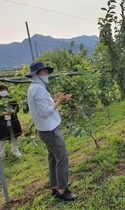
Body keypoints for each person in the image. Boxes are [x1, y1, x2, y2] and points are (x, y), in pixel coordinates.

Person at [26, 61, 77, 201]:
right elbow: (45, 112)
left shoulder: (35, 88)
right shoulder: (38, 89)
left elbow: (45, 107)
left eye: (47, 71)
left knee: (53, 158)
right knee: (62, 158)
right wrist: (59, 101)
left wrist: (56, 100)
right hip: (50, 130)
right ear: (37, 74)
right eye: (44, 72)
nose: (47, 74)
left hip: (45, 129)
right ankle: (62, 190)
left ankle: (55, 186)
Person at [0, 84, 22, 157]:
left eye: (5, 90)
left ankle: (15, 151)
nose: (4, 91)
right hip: (2, 122)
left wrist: (12, 111)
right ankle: (1, 154)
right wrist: (3, 113)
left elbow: (17, 108)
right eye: (1, 90)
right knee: (2, 138)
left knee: (14, 136)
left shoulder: (11, 98)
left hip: (12, 120)